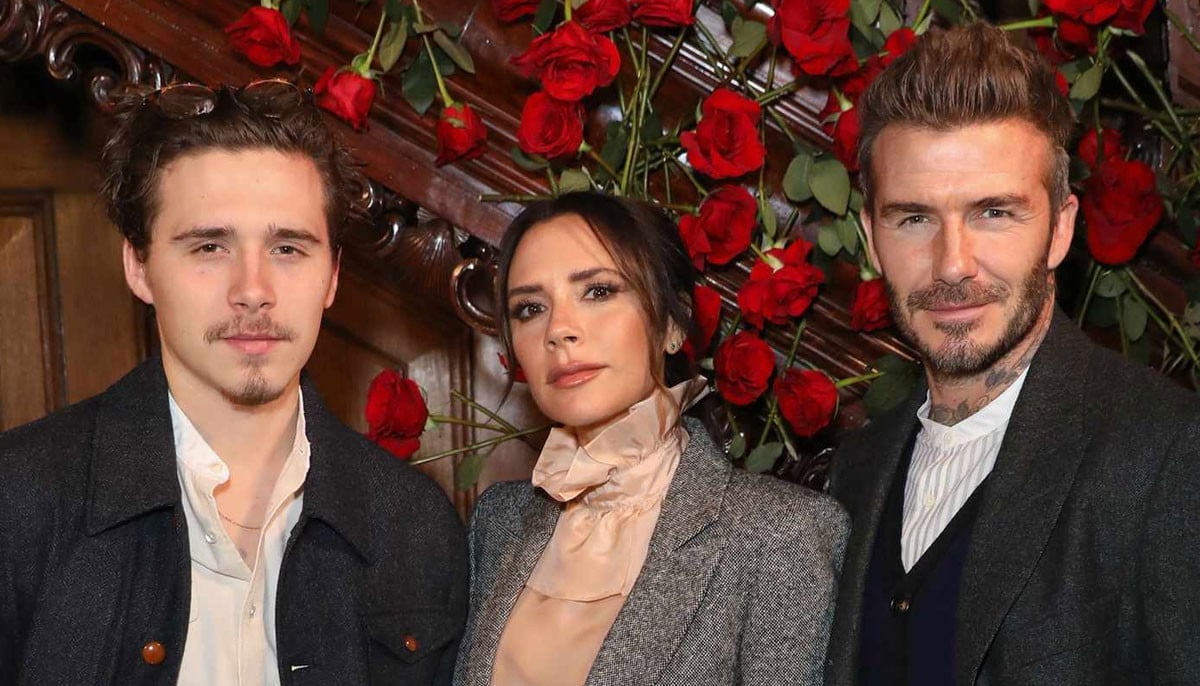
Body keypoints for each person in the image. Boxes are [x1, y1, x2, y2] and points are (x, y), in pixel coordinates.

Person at [0, 81, 467, 685]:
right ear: (139, 266)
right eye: (210, 246)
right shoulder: (19, 500)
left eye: (288, 248)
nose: (252, 290)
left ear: (332, 276)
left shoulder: (414, 526)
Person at [825, 23, 1200, 685]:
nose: (953, 264)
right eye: (914, 217)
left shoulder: (1168, 456)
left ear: (1060, 228)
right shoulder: (857, 469)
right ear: (872, 238)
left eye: (993, 213)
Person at [452, 191, 849, 686]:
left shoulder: (779, 534)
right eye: (530, 308)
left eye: (598, 291)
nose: (559, 330)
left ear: (671, 325)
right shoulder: (500, 521)